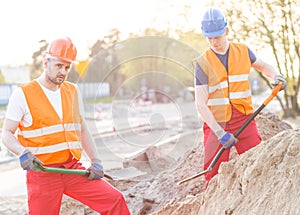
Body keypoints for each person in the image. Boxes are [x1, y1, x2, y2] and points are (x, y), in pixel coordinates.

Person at [1, 37, 131, 214]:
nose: (63, 71)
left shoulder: (72, 91)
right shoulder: (23, 94)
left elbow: (82, 128)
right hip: (43, 173)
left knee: (115, 200)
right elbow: (7, 133)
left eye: (67, 67)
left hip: (73, 170)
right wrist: (22, 152)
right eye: (59, 66)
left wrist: (96, 161)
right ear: (46, 62)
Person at [193, 7, 286, 187]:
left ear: (226, 31)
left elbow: (263, 66)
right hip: (216, 124)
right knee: (213, 176)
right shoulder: (202, 63)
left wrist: (276, 76)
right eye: (209, 38)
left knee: (259, 163)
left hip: (244, 118)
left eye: (217, 37)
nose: (213, 42)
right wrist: (220, 134)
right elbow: (200, 104)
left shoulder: (243, 51)